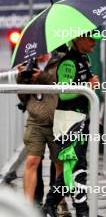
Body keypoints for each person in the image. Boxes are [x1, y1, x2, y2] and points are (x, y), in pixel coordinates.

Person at [43, 31, 102, 217]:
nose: (94, 42)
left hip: (80, 118)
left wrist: (89, 84)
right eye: (91, 39)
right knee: (77, 166)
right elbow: (63, 93)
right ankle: (81, 211)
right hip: (68, 121)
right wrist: (87, 87)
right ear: (78, 39)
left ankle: (51, 206)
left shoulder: (85, 59)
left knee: (76, 166)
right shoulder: (68, 62)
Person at [16, 53, 63, 203]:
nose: (38, 54)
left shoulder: (62, 61)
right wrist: (22, 78)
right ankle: (28, 207)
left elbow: (65, 86)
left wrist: (43, 77)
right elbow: (23, 98)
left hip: (59, 120)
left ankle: (58, 203)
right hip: (35, 121)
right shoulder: (28, 64)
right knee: (32, 160)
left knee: (60, 162)